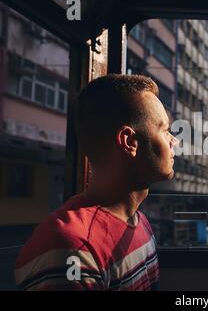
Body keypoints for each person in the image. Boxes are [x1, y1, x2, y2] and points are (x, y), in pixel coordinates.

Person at [15, 74, 178, 290]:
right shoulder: (71, 248)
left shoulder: (140, 223)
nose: (173, 140)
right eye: (165, 129)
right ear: (129, 142)